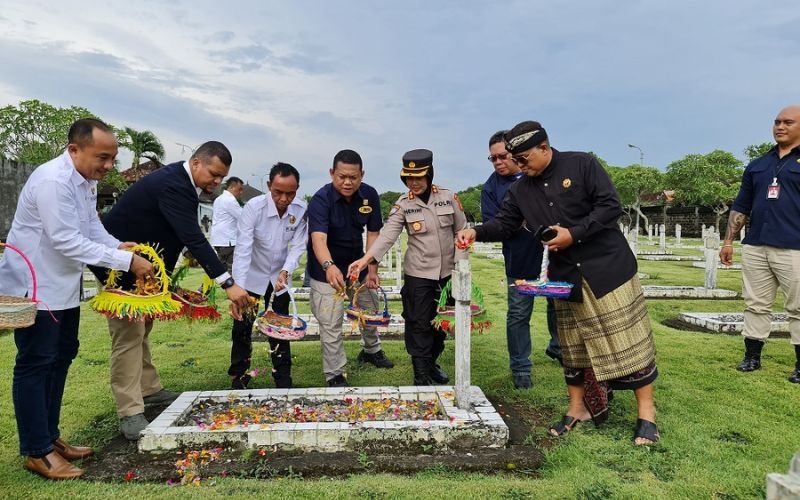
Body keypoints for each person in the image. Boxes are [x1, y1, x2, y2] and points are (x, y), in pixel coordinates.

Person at [457, 121, 659, 445]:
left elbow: (610, 206)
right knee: (573, 347)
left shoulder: (582, 164)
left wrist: (573, 234)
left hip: (607, 269)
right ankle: (577, 408)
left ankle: (646, 414)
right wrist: (475, 232)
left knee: (628, 342)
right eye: (516, 160)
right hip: (566, 277)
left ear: (544, 147)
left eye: (524, 159)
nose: (519, 167)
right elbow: (505, 224)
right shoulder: (520, 190)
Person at [0, 118, 153, 479]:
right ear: (74, 150)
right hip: (36, 286)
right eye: (103, 157)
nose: (109, 166)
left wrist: (115, 244)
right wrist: (126, 260)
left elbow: (90, 225)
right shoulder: (54, 181)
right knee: (37, 363)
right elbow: (66, 239)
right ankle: (36, 451)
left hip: (64, 286)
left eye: (113, 158)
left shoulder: (83, 180)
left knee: (62, 355)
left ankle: (50, 439)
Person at [93, 141, 250, 440]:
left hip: (145, 268)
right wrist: (227, 283)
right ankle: (130, 412)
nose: (217, 182)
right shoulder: (173, 184)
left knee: (143, 330)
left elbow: (176, 232)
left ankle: (149, 389)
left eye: (222, 177)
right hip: (118, 265)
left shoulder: (182, 184)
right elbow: (193, 236)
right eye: (214, 174)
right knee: (128, 336)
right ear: (196, 163)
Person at [349, 149, 467, 384]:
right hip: (419, 274)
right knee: (418, 324)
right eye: (408, 178)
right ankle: (420, 374)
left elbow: (462, 232)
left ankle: (431, 362)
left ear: (429, 174)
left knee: (440, 324)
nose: (413, 183)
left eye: (419, 177)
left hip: (447, 275)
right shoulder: (404, 205)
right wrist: (366, 259)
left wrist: (461, 269)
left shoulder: (448, 197)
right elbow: (387, 237)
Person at [721, 105, 800, 383]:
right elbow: (741, 205)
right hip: (756, 246)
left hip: (794, 248)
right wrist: (729, 241)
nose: (780, 126)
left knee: (798, 307)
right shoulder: (758, 165)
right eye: (777, 122)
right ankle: (752, 357)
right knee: (755, 304)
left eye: (788, 122)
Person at [307, 149, 395, 387]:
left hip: (358, 263)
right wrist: (329, 266)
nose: (347, 182)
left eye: (353, 177)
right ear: (332, 173)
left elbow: (374, 233)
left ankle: (371, 350)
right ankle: (335, 373)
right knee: (331, 320)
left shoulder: (370, 195)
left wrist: (372, 270)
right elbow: (318, 239)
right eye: (342, 176)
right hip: (324, 266)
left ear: (361, 175)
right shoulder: (320, 199)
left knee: (369, 308)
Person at [482, 131, 562, 390]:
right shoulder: (491, 188)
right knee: (518, 313)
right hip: (519, 258)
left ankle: (559, 347)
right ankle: (521, 367)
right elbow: (495, 224)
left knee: (559, 306)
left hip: (555, 255)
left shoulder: (539, 174)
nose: (497, 162)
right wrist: (523, 220)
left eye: (502, 156)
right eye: (492, 158)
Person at [229, 163, 307, 389]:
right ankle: (239, 374)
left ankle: (283, 377)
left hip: (280, 277)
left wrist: (287, 270)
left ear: (297, 189)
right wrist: (238, 289)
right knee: (242, 326)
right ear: (269, 186)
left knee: (281, 326)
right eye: (278, 192)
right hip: (252, 275)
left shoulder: (301, 209)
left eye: (290, 193)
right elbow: (243, 249)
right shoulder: (254, 208)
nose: (284, 198)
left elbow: (299, 244)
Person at [210, 176, 244, 272]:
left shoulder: (219, 199)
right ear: (232, 187)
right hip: (228, 240)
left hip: (218, 240)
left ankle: (205, 286)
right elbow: (243, 217)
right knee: (233, 269)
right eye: (239, 189)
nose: (241, 192)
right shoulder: (230, 200)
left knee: (220, 270)